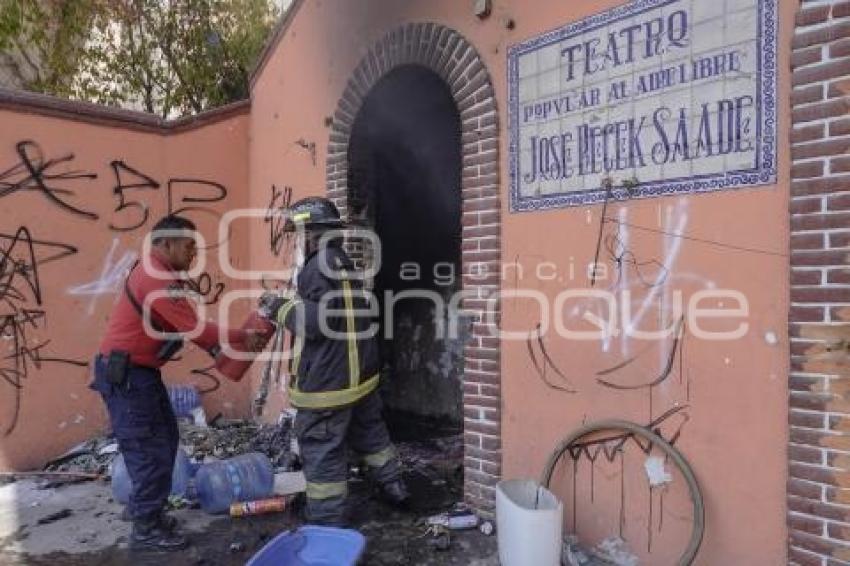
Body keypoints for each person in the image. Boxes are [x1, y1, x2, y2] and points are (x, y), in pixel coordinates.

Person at [90, 215, 262, 551]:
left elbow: (187, 328)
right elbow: (195, 328)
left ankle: (147, 511)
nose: (194, 254)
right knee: (148, 449)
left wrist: (220, 346)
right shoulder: (155, 278)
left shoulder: (161, 275)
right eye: (188, 247)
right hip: (127, 377)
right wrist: (243, 336)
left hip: (139, 374)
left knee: (165, 441)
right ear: (165, 244)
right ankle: (145, 527)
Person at [267, 196, 409, 526]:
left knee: (322, 452)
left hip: (328, 387)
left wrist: (279, 308)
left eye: (301, 233)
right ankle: (395, 487)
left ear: (313, 233)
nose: (300, 240)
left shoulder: (315, 269)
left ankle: (326, 523)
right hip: (359, 378)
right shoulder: (344, 264)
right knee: (373, 436)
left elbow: (316, 323)